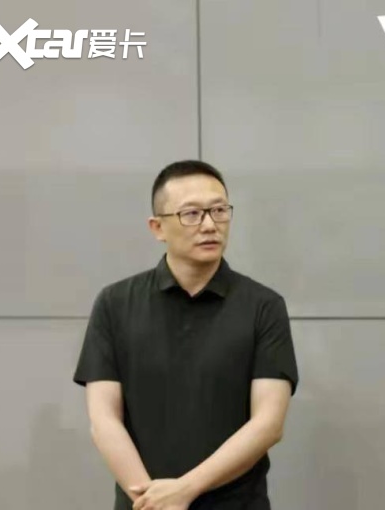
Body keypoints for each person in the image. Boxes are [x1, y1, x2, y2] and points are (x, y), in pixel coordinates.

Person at [73, 160, 299, 510]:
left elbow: (268, 424)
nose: (209, 225)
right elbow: (103, 420)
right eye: (191, 214)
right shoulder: (115, 303)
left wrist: (184, 490)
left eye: (219, 210)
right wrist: (153, 501)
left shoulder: (264, 306)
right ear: (157, 227)